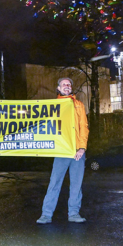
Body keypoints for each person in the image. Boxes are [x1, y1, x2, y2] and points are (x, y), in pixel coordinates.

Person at [37, 77, 89, 224]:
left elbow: (83, 128)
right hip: (61, 151)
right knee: (54, 182)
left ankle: (73, 213)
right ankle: (46, 215)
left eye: (69, 84)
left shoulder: (78, 105)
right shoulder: (54, 106)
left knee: (76, 184)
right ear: (58, 89)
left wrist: (82, 148)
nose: (67, 86)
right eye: (64, 85)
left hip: (77, 152)